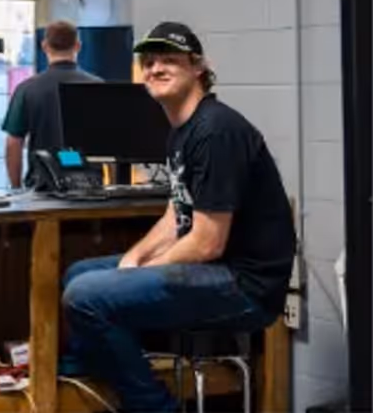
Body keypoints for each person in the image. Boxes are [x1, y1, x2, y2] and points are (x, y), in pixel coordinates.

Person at [61, 21, 296, 413]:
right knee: (79, 274)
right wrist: (135, 259)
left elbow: (207, 242)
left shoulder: (216, 130)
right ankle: (94, 377)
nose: (155, 68)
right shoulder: (181, 131)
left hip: (245, 285)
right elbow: (177, 214)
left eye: (169, 60)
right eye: (149, 61)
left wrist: (138, 273)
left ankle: (154, 406)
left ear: (198, 67)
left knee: (86, 297)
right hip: (213, 269)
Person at [1, 20, 101, 188]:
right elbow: (111, 145)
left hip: (41, 186)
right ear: (78, 46)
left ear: (44, 46)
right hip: (89, 187)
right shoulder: (98, 88)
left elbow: (13, 143)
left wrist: (16, 189)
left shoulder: (27, 89)